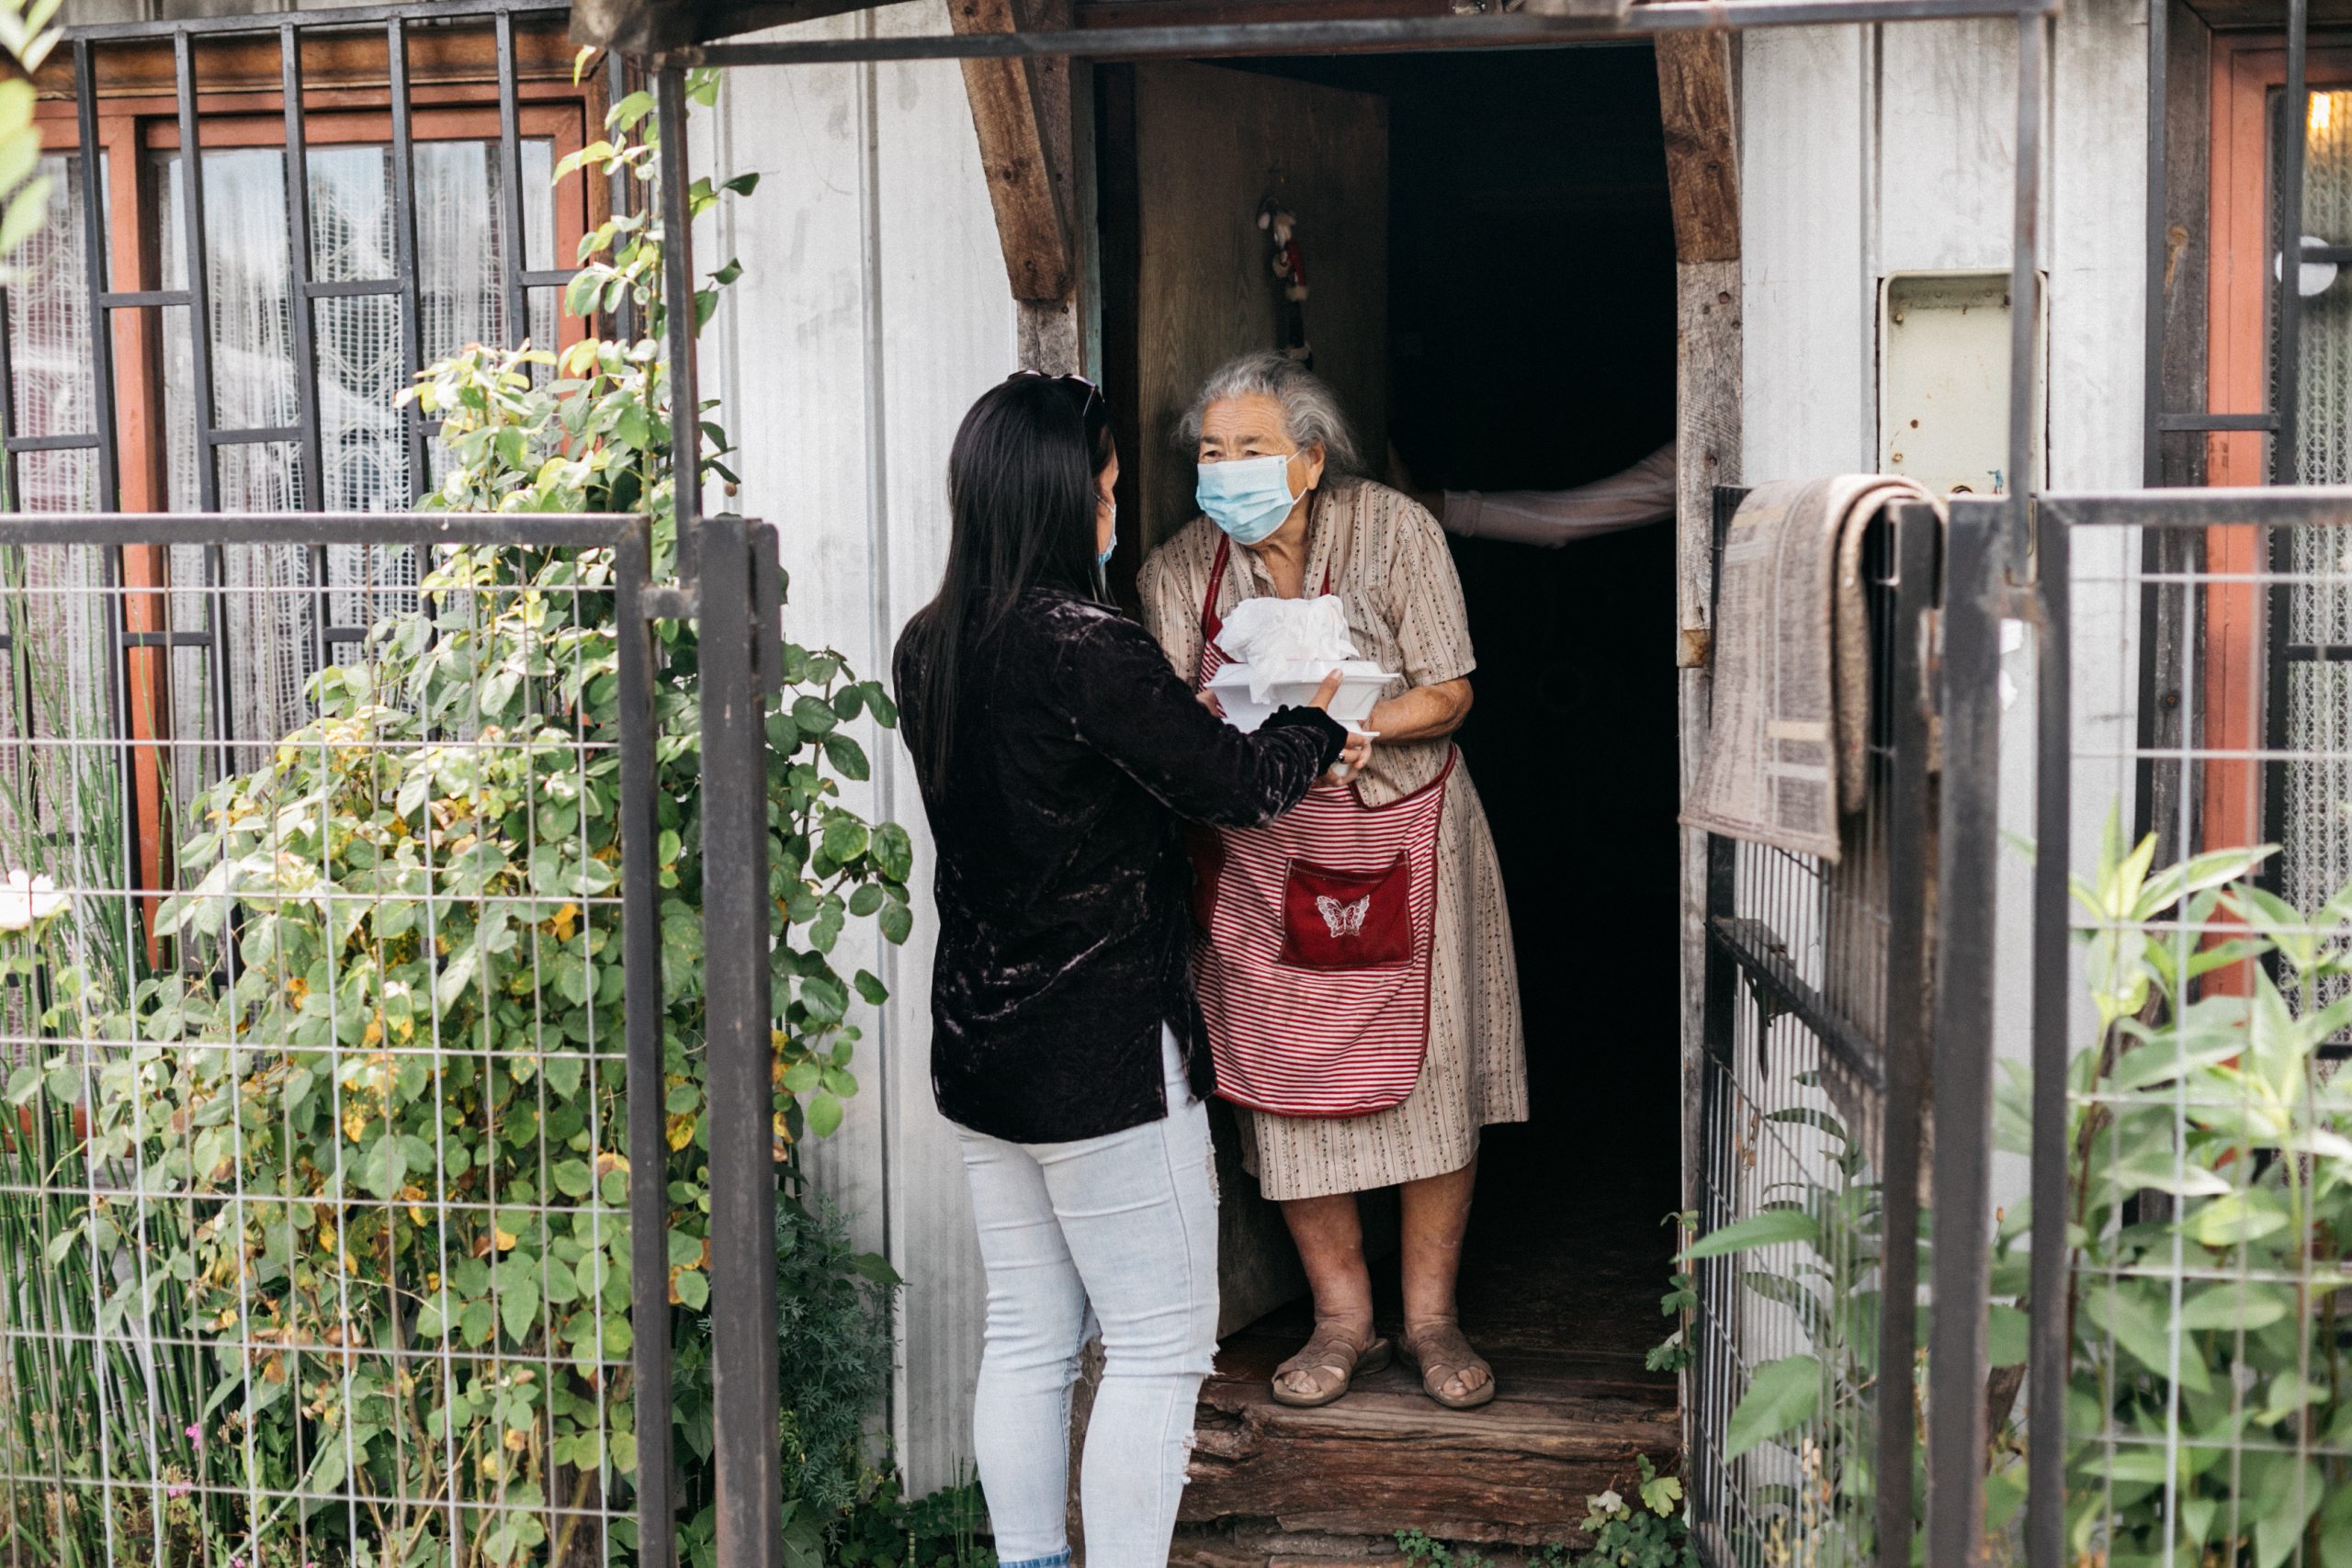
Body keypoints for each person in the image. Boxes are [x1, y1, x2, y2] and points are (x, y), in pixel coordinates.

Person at [894, 371, 1364, 1568]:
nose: (1118, 503)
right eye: (1107, 485)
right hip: (1102, 1052)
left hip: (982, 1048)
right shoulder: (1086, 642)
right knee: (1158, 1345)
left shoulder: (932, 640)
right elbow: (1233, 785)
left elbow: (1080, 778)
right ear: (1066, 497)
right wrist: (1313, 719)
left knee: (1031, 1332)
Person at [1139, 352, 1528, 1414]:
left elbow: (1449, 690)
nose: (1226, 472)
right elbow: (1173, 723)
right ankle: (1342, 1321)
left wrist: (1357, 727)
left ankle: (1432, 1320)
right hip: (1264, 853)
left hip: (1404, 830)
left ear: (1308, 461)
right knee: (1290, 1086)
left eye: (1251, 451)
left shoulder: (1397, 532)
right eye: (1212, 454)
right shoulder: (1177, 570)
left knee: (1434, 1073)